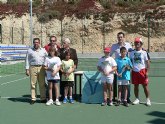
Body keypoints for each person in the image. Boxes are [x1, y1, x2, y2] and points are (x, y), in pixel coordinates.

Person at [110, 32, 132, 103]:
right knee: (118, 85)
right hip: (118, 69)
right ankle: (118, 98)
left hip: (126, 70)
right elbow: (110, 56)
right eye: (119, 37)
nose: (120, 38)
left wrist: (129, 66)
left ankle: (127, 98)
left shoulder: (128, 45)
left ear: (123, 37)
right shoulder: (114, 46)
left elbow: (132, 54)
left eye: (121, 37)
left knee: (126, 85)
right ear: (117, 38)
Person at [130, 37, 151, 106]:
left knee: (145, 86)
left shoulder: (144, 52)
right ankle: (137, 99)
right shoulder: (131, 53)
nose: (136, 44)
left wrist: (147, 71)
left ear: (141, 43)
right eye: (135, 42)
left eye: (138, 42)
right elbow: (130, 62)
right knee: (136, 86)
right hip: (134, 71)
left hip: (142, 71)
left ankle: (148, 99)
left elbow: (148, 62)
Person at [25, 38, 47, 104]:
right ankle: (33, 98)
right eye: (34, 42)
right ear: (33, 43)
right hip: (33, 68)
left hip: (41, 68)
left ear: (39, 43)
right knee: (33, 84)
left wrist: (46, 67)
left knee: (42, 84)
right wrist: (27, 69)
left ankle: (43, 98)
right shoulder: (29, 50)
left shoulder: (43, 50)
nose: (36, 43)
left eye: (37, 42)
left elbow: (47, 58)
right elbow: (27, 60)